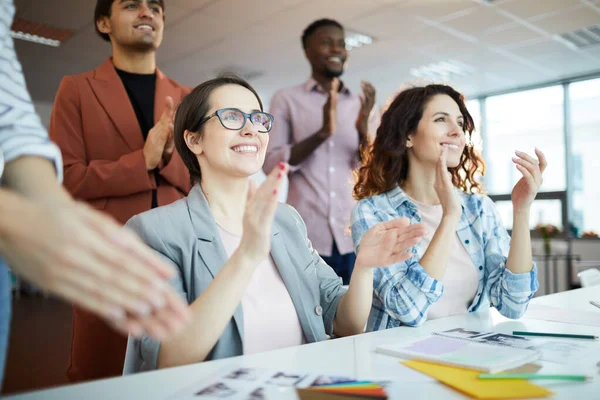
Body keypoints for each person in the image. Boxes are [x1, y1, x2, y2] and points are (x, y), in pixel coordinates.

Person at [122, 76, 425, 372]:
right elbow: (167, 356)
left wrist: (364, 268)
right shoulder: (153, 232)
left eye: (257, 118)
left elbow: (344, 323)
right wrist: (247, 256)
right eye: (231, 117)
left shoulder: (286, 220)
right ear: (194, 140)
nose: (251, 129)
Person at [0, 0, 188, 387]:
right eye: (131, 5)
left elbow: (198, 180)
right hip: (106, 254)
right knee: (100, 374)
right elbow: (66, 180)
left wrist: (166, 159)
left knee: (179, 375)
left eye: (155, 7)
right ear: (104, 22)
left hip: (178, 255)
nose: (146, 13)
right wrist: (142, 161)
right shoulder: (76, 89)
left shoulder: (184, 96)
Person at [351, 84, 545, 331]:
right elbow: (407, 310)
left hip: (468, 353)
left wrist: (521, 210)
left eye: (461, 123)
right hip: (399, 359)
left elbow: (513, 305)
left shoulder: (479, 209)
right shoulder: (374, 212)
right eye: (441, 119)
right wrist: (449, 216)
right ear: (408, 136)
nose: (457, 132)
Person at [264, 19, 380, 285]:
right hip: (305, 237)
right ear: (307, 51)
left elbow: (373, 169)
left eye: (341, 43)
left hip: (355, 235)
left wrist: (363, 129)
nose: (336, 49)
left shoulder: (361, 104)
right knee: (310, 320)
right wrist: (321, 134)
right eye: (327, 42)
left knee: (356, 321)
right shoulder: (286, 99)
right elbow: (271, 164)